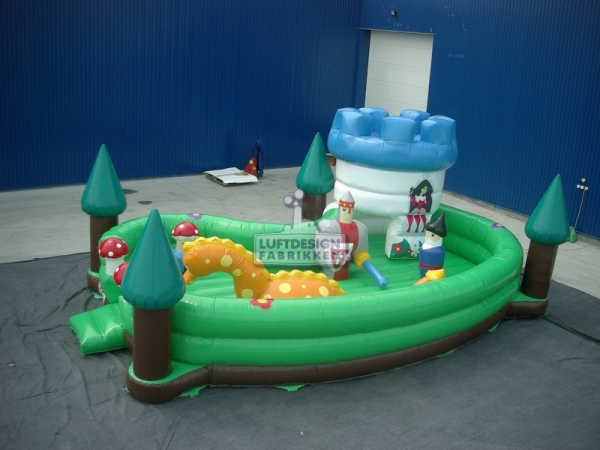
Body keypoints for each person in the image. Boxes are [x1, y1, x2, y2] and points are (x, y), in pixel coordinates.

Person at [418, 213, 447, 278]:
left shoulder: (439, 250)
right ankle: (422, 276)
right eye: (427, 234)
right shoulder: (424, 247)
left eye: (432, 235)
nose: (428, 237)